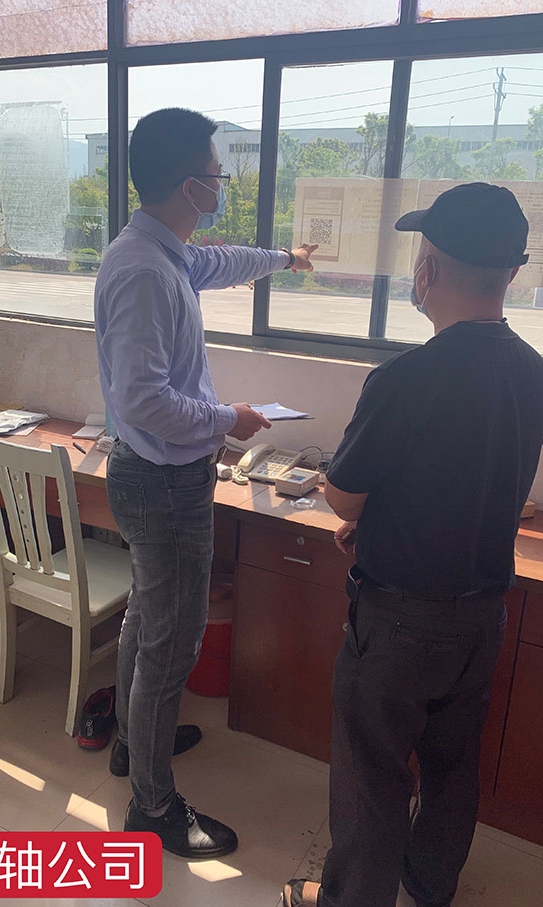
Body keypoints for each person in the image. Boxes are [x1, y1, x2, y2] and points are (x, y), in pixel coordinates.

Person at [283, 183, 543, 907]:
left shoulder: (406, 378)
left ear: (429, 268)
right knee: (450, 765)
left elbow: (343, 495)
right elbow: (472, 481)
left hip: (400, 623)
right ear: (511, 272)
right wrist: (385, 520)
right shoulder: (536, 376)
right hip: (482, 615)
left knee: (371, 774)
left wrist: (362, 513)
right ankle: (430, 884)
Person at [94, 107, 316, 858]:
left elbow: (222, 264)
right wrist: (231, 417)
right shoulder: (145, 271)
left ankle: (134, 744)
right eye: (218, 175)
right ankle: (153, 807)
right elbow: (143, 400)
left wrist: (285, 258)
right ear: (190, 185)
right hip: (163, 483)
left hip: (155, 476)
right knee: (170, 642)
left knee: (147, 619)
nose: (223, 185)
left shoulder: (165, 253)